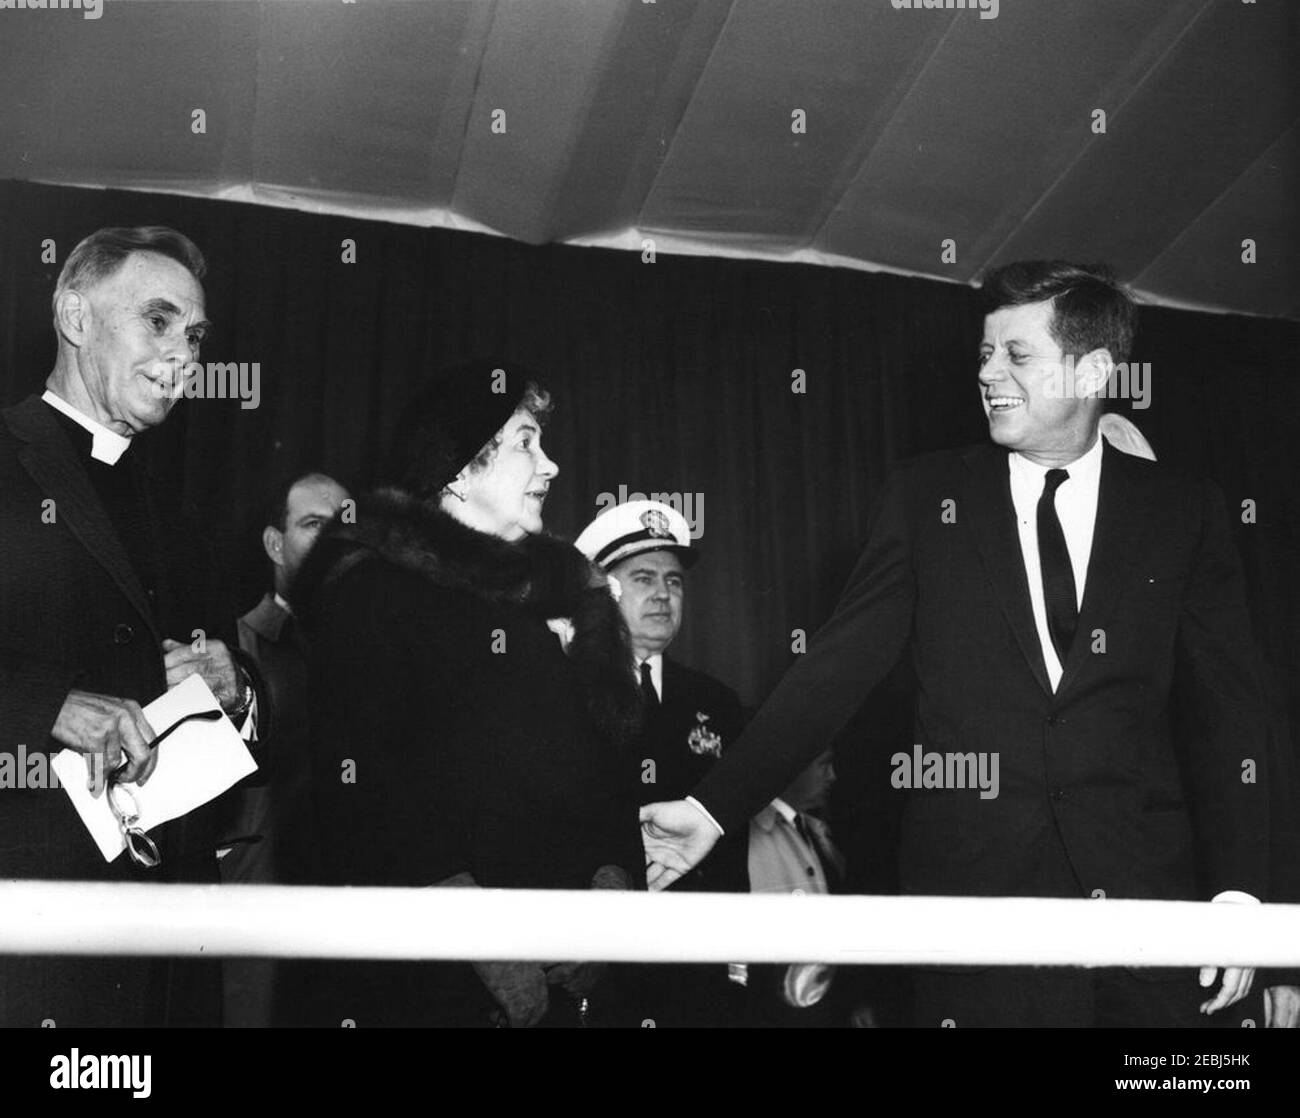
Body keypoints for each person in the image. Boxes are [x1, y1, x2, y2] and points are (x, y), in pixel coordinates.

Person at [641, 260, 1272, 1027]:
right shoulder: (925, 498)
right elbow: (833, 673)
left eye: (1017, 355)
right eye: (983, 354)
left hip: (1148, 921)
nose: (989, 374)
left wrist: (1245, 894)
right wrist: (713, 810)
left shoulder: (1186, 512)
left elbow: (1234, 714)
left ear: (1095, 369)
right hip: (976, 924)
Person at [290, 359, 644, 1027]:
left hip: (571, 984)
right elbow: (360, 793)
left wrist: (613, 886)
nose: (552, 466)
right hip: (437, 990)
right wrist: (475, 940)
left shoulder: (550, 600)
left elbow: (605, 771)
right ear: (456, 469)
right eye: (525, 443)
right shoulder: (372, 591)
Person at [0, 225, 261, 1027]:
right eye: (158, 321)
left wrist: (235, 687)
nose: (185, 354)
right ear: (74, 317)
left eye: (195, 334)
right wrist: (44, 705)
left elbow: (244, 700)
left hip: (172, 939)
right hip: (39, 933)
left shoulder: (181, 509)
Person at [575, 498, 747, 1026]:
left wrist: (737, 953)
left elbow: (732, 834)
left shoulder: (716, 701)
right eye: (643, 578)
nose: (662, 595)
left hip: (698, 963)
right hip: (604, 962)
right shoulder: (567, 692)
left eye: (674, 582)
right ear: (605, 592)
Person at [217, 469, 350, 1027]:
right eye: (313, 525)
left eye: (345, 526)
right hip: (259, 916)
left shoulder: (375, 647)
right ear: (275, 543)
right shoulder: (233, 648)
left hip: (353, 918)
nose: (333, 542)